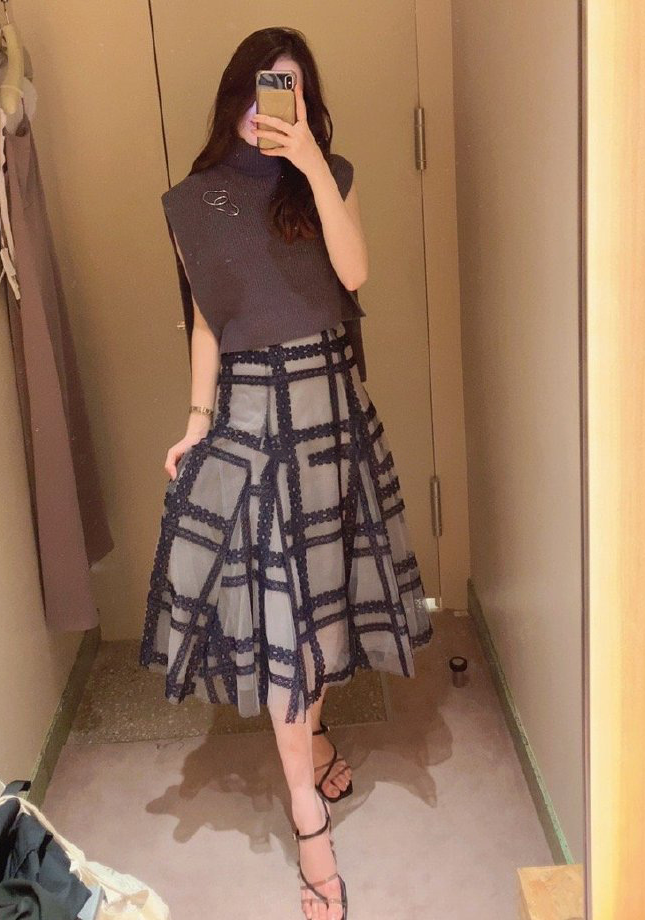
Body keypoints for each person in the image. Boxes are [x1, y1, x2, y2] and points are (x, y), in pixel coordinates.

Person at [139, 26, 434, 920]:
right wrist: (195, 424)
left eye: (292, 90)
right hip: (254, 420)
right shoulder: (193, 202)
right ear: (236, 95)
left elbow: (355, 271)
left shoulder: (327, 177)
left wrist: (308, 162)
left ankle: (316, 736)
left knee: (322, 606)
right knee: (282, 619)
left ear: (306, 103)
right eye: (265, 87)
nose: (274, 105)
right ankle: (308, 815)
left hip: (332, 410)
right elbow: (206, 324)